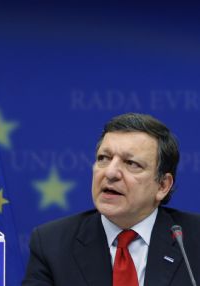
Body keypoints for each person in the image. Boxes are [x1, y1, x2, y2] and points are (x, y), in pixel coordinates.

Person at [22, 113, 200, 286]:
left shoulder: (193, 240)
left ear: (162, 185)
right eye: (104, 158)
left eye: (131, 163)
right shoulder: (51, 244)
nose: (110, 172)